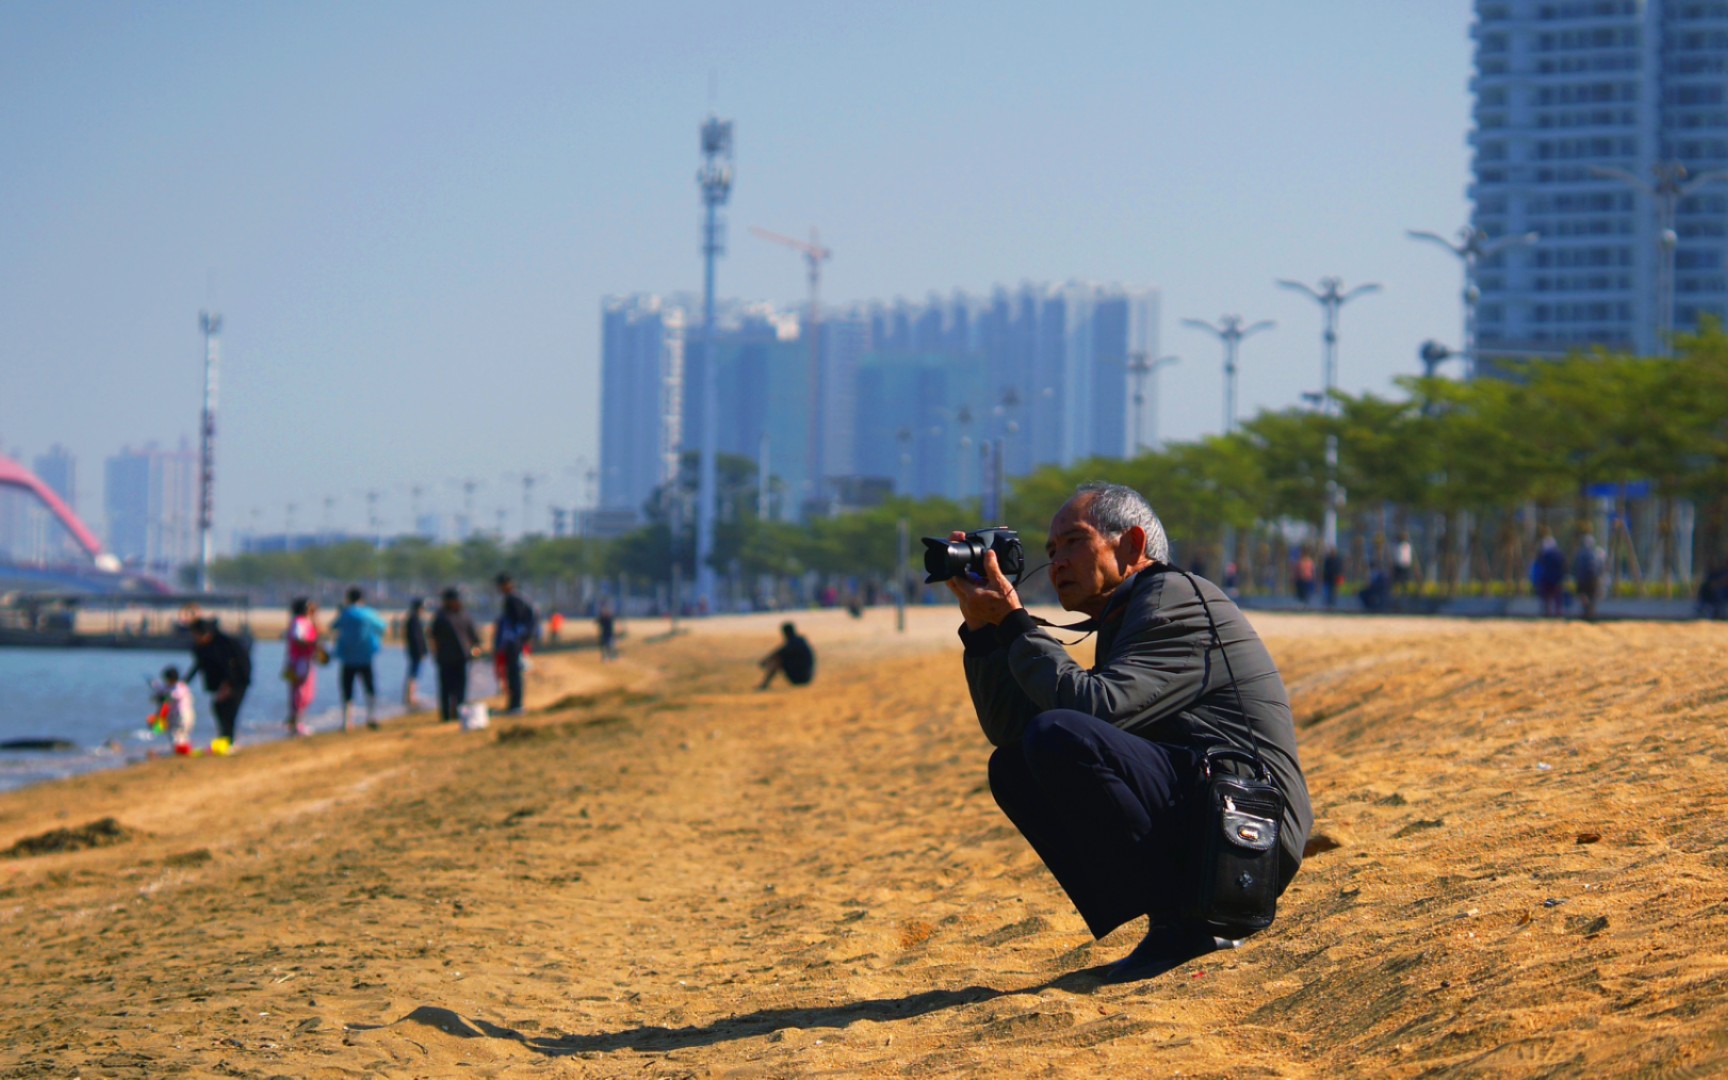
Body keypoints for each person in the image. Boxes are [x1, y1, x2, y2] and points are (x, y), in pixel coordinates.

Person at [945, 481, 1311, 984]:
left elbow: (1097, 710)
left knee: (1061, 733)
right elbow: (1010, 729)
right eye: (1050, 551)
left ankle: (1187, 926)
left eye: (1073, 541)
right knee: (1014, 764)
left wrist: (1015, 625)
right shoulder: (1128, 614)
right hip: (1218, 810)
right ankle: (1172, 920)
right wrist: (984, 635)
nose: (1056, 562)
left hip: (1252, 831)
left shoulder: (1176, 595)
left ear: (1133, 545)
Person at [186, 617, 251, 754]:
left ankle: (229, 742)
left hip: (238, 681)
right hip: (223, 683)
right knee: (219, 708)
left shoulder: (223, 644)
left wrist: (229, 685)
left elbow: (231, 666)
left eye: (195, 634)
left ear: (204, 633)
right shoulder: (202, 647)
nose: (194, 637)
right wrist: (184, 683)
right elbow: (198, 665)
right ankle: (224, 740)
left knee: (229, 710)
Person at [330, 586, 387, 731]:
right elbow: (382, 626)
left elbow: (333, 626)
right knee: (370, 688)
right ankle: (372, 717)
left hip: (348, 658)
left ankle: (347, 722)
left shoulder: (346, 613)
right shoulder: (369, 613)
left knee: (347, 690)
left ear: (348, 598)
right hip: (366, 657)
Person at [430, 587, 482, 723]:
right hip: (445, 659)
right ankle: (446, 716)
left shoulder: (464, 616)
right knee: (445, 689)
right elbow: (433, 637)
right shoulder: (440, 617)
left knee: (460, 689)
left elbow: (474, 638)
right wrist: (436, 655)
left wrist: (475, 651)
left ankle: (459, 714)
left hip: (462, 658)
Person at [493, 573, 538, 715]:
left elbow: (516, 622)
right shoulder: (516, 598)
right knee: (512, 673)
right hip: (515, 641)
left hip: (514, 642)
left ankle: (516, 705)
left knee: (514, 673)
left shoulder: (513, 599)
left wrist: (519, 638)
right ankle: (514, 704)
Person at [284, 598, 320, 736]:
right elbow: (298, 638)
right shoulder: (299, 622)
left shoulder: (303, 622)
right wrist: (312, 644)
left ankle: (295, 721)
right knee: (301, 692)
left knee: (301, 692)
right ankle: (297, 723)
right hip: (300, 661)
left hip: (301, 660)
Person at [153, 665, 197, 755]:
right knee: (179, 735)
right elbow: (162, 694)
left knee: (177, 734)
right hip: (178, 716)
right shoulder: (171, 687)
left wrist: (161, 697)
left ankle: (182, 751)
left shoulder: (180, 687)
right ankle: (183, 751)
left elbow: (172, 696)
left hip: (183, 715)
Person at [758, 621, 815, 689]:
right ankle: (764, 684)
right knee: (780, 658)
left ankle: (765, 685)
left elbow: (778, 652)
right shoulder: (799, 641)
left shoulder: (793, 643)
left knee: (778, 660)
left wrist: (765, 661)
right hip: (807, 676)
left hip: (801, 677)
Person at [1571, 532, 1606, 621]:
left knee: (1584, 597)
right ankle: (1590, 613)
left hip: (1582, 580)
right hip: (1592, 580)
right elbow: (1599, 568)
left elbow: (1575, 567)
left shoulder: (1580, 553)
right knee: (1592, 597)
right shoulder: (1595, 554)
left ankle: (1585, 613)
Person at [1532, 533, 1566, 618]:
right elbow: (1563, 566)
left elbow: (1539, 567)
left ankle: (1548, 613)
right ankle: (1558, 613)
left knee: (1547, 598)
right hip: (1557, 579)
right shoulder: (1559, 554)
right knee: (1557, 598)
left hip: (1546, 579)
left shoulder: (1543, 555)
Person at [403, 597, 429, 708]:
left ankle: (410, 697)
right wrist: (421, 652)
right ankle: (410, 698)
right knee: (414, 675)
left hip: (414, 652)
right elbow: (416, 638)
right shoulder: (414, 620)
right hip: (416, 652)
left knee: (413, 674)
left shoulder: (412, 619)